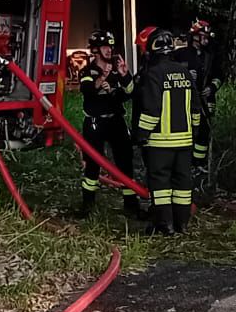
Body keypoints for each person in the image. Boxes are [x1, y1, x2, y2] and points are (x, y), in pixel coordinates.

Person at [135, 26, 201, 234]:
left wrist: (140, 135)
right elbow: (196, 109)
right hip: (185, 141)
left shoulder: (154, 74)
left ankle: (164, 225)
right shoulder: (184, 72)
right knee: (182, 183)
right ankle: (182, 223)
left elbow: (152, 111)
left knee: (160, 184)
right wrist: (194, 133)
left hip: (160, 142)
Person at [73, 30, 135, 216]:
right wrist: (101, 79)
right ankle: (88, 206)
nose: (109, 50)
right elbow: (87, 90)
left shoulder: (117, 70)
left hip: (116, 121)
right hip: (95, 123)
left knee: (125, 162)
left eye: (110, 46)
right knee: (93, 164)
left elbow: (130, 93)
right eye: (105, 47)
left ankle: (131, 206)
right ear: (96, 50)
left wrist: (124, 76)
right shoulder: (88, 71)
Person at [184, 18, 222, 189]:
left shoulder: (210, 56)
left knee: (204, 133)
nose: (205, 39)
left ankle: (199, 163)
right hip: (188, 102)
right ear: (194, 36)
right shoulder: (181, 55)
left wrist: (212, 87)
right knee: (190, 131)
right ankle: (188, 164)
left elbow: (219, 75)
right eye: (202, 35)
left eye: (207, 36)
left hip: (206, 101)